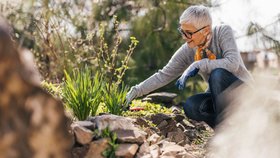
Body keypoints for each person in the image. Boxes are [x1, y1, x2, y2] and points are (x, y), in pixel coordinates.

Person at [125, 5, 253, 128]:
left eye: (188, 33)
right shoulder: (189, 49)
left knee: (217, 73)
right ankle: (226, 133)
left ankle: (231, 131)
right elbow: (164, 75)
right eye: (182, 31)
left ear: (206, 30)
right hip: (220, 101)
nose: (184, 37)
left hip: (244, 94)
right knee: (191, 106)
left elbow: (232, 63)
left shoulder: (222, 32)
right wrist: (136, 90)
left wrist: (200, 64)